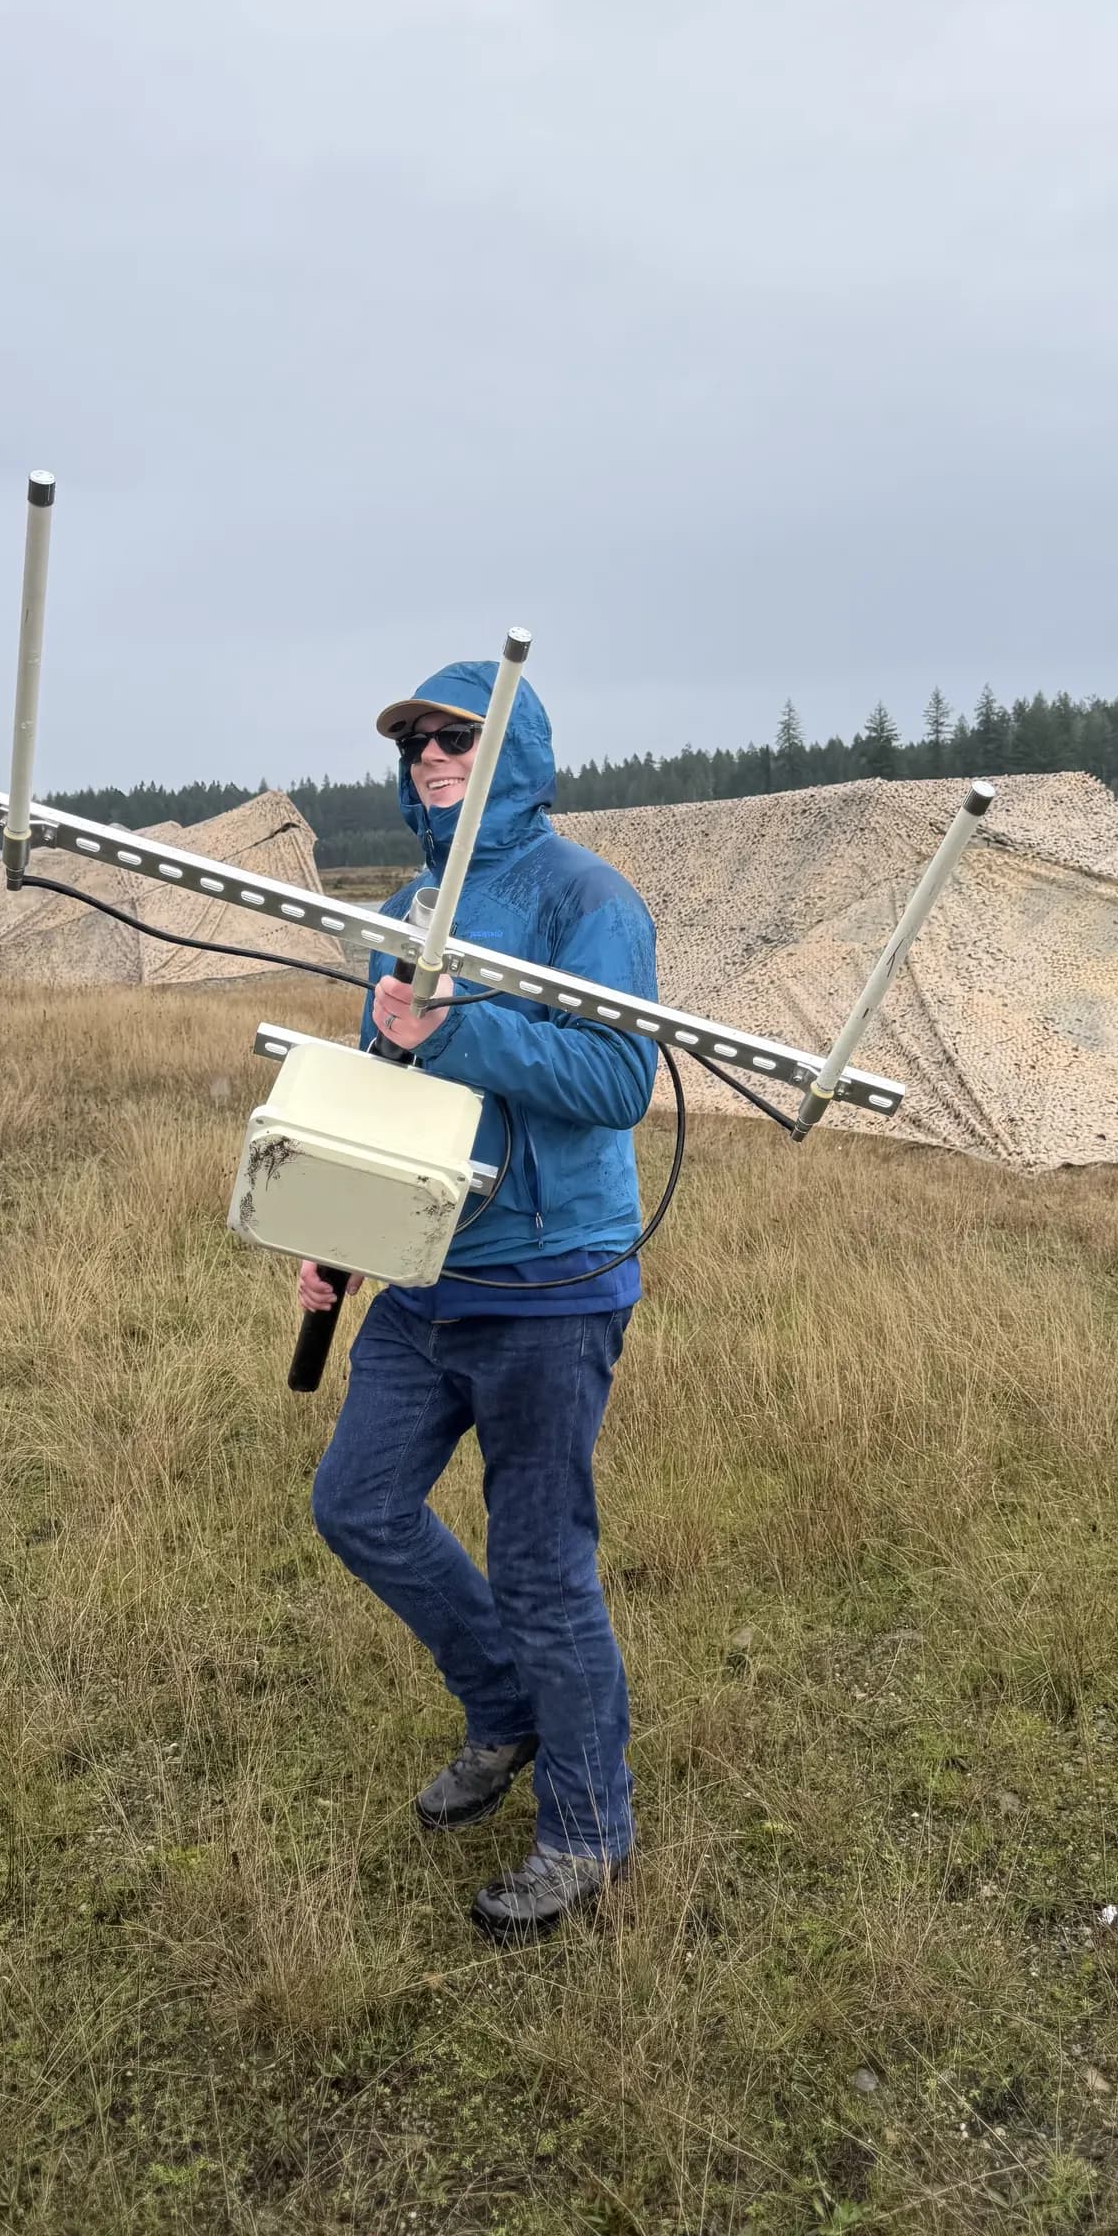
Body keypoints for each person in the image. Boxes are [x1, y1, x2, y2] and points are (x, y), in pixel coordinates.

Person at [303, 660, 658, 1942]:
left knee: (542, 1563)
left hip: (552, 1291)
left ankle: (589, 1826)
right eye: (414, 745)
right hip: (424, 1275)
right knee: (355, 1502)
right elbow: (371, 1085)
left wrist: (453, 1028)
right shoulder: (409, 903)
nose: (430, 759)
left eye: (455, 738)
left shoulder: (586, 898)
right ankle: (504, 1704)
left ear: (513, 751)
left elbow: (621, 1077)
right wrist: (332, 1241)